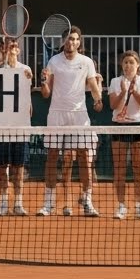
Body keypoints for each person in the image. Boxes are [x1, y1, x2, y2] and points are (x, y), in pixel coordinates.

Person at [39, 26, 102, 216]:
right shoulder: (53, 61)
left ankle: (87, 201)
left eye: (75, 39)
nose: (72, 42)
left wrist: (98, 99)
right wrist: (43, 81)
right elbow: (46, 94)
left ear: (79, 42)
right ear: (63, 41)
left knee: (84, 158)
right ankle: (48, 203)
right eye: (68, 38)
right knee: (52, 157)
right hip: (56, 114)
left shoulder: (87, 62)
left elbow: (92, 85)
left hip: (79, 115)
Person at [0, 38, 33, 216]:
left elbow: (27, 95)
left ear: (19, 50)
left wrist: (29, 77)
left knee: (19, 167)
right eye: (8, 46)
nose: (12, 48)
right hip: (1, 126)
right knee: (1, 166)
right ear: (3, 49)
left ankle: (18, 203)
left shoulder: (26, 70)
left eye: (14, 46)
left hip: (20, 126)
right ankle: (2, 202)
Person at [108, 50, 140, 221]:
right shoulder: (115, 81)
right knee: (119, 169)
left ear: (138, 65)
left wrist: (134, 91)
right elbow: (113, 105)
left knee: (138, 168)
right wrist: (123, 92)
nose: (128, 65)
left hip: (138, 125)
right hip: (119, 127)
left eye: (132, 62)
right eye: (125, 62)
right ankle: (121, 206)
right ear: (121, 65)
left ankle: (139, 206)